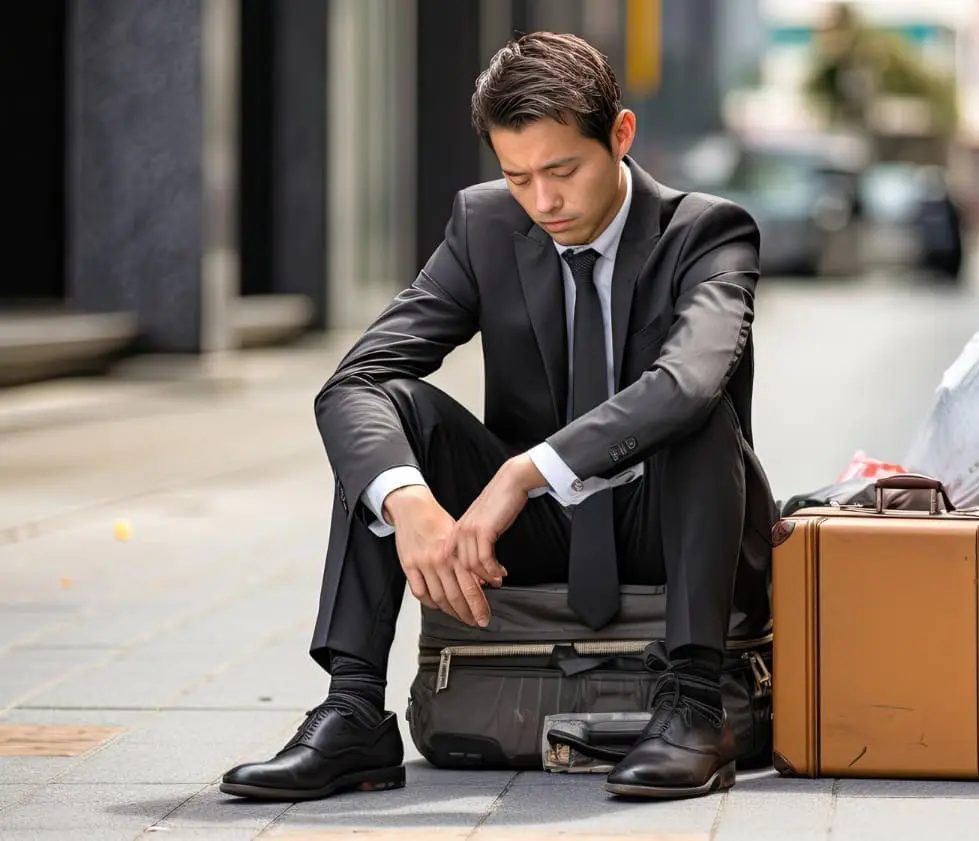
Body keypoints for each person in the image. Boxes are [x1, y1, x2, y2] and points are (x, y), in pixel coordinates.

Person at [218, 31, 775, 803]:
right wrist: (407, 500)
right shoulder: (485, 226)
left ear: (621, 135)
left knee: (695, 413)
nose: (543, 201)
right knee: (393, 416)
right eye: (518, 177)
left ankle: (691, 707)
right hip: (539, 536)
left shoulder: (707, 233)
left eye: (562, 170)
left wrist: (526, 469)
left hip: (670, 522)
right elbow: (356, 380)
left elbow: (689, 378)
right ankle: (352, 711)